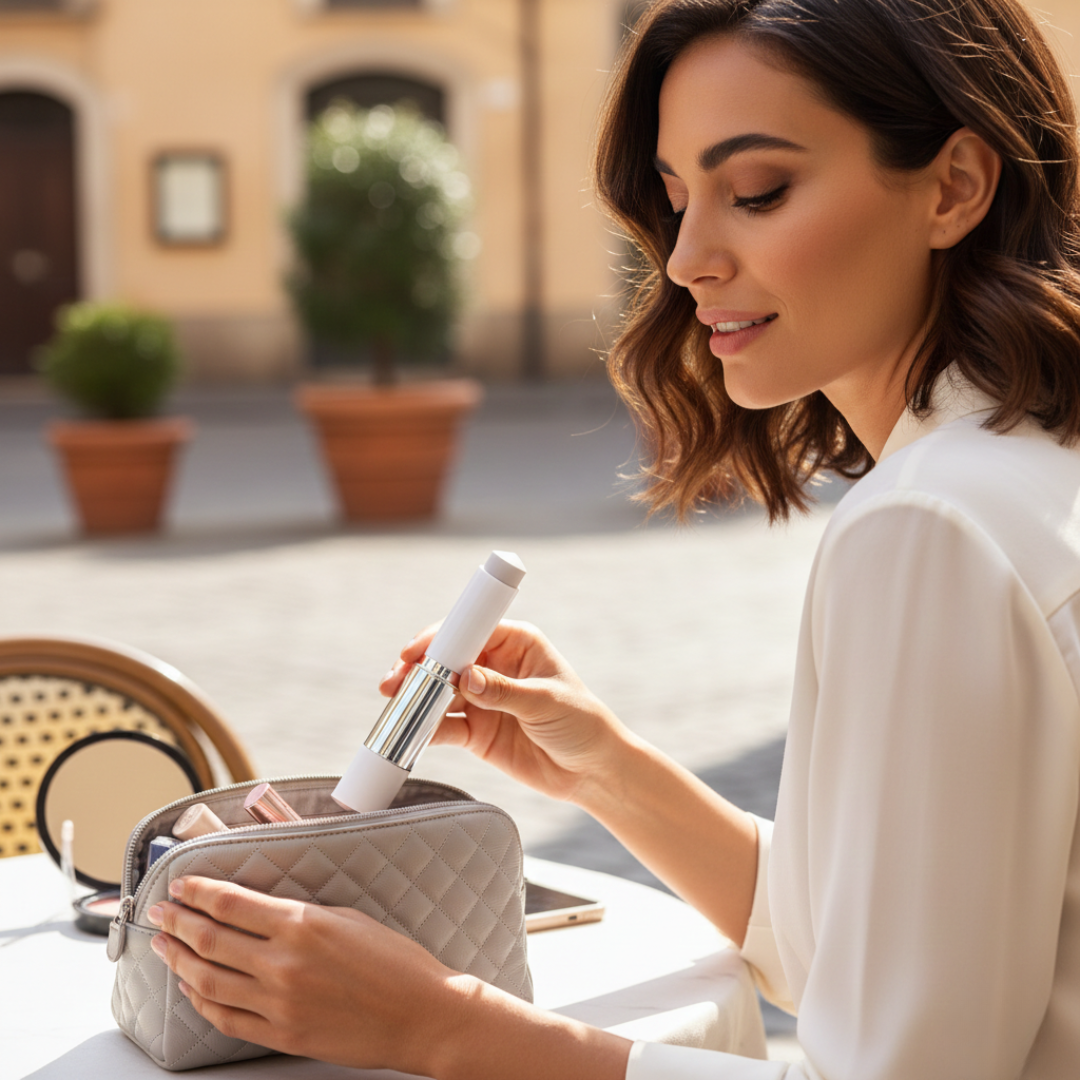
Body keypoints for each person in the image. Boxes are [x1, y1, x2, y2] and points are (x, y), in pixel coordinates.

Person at [144, 1, 1080, 1076]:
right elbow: (866, 960)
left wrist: (440, 1026)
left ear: (954, 187)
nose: (685, 260)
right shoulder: (1021, 475)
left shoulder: (930, 528)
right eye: (677, 202)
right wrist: (604, 768)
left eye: (759, 192)